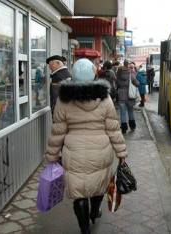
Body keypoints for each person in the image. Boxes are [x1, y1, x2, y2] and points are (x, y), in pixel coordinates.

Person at [45, 58, 128, 234]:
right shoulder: (104, 98)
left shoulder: (63, 99)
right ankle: (94, 212)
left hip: (73, 152)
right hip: (101, 151)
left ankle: (84, 230)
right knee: (98, 185)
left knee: (79, 192)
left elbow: (58, 130)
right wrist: (121, 152)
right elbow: (113, 128)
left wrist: (52, 156)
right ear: (93, 74)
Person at [116, 59, 140, 133]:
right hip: (130, 96)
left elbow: (117, 84)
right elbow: (137, 84)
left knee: (122, 112)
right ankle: (132, 126)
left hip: (121, 96)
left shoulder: (118, 77)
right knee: (130, 111)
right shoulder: (131, 76)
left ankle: (124, 128)